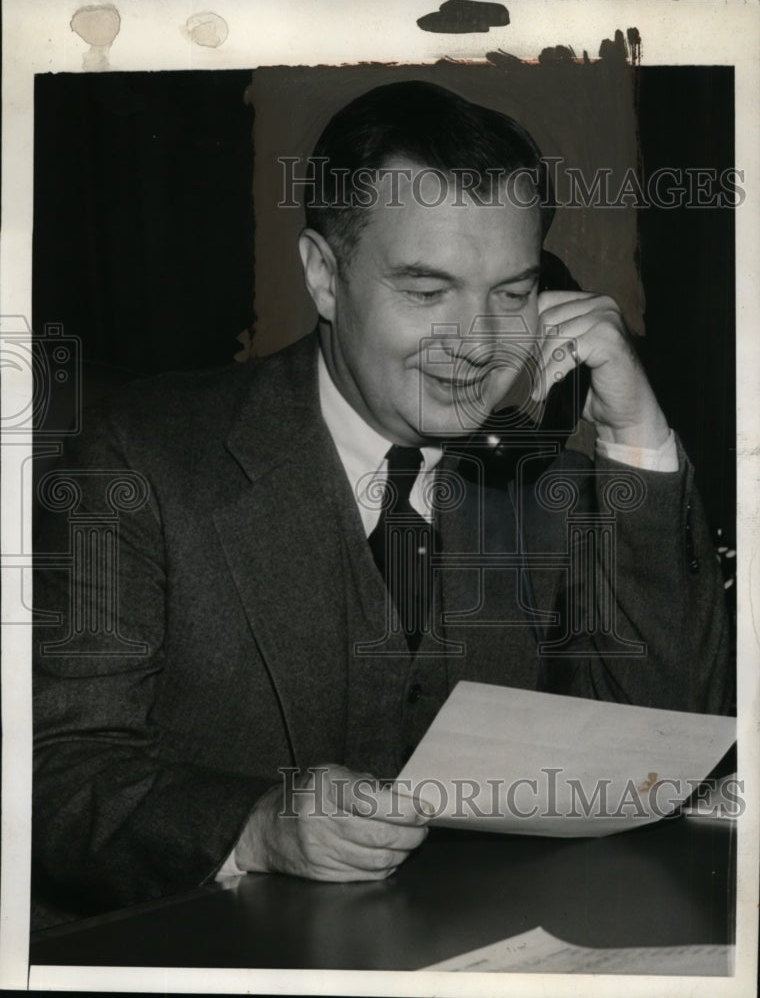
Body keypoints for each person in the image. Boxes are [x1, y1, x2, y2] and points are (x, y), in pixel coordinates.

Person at [33, 81, 731, 918]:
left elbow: (657, 761)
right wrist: (255, 827)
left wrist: (636, 438)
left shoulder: (555, 477)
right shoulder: (141, 457)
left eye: (512, 294)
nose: (478, 345)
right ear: (324, 277)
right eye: (427, 293)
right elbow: (57, 771)